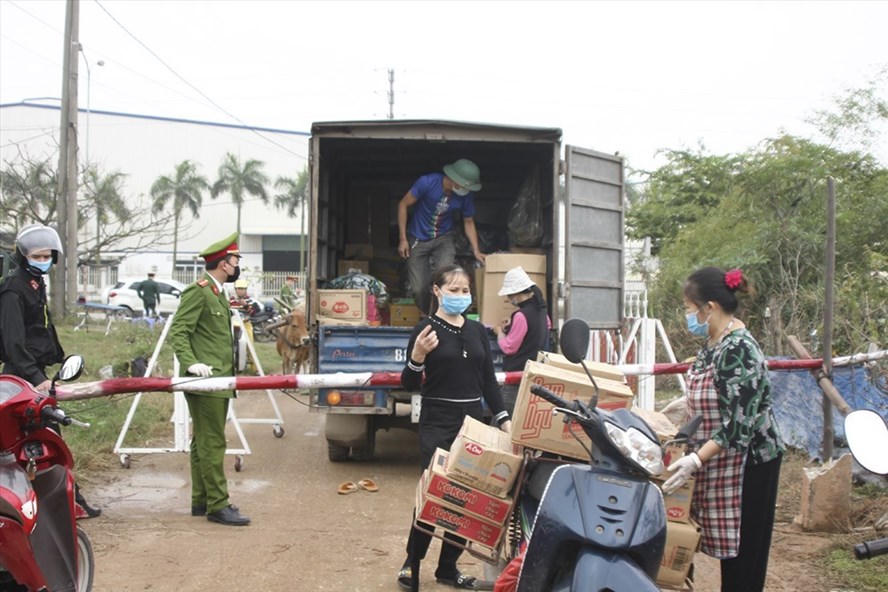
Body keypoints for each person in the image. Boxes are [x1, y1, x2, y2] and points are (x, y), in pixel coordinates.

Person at [662, 267, 784, 592]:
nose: (687, 315)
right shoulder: (714, 342)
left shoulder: (739, 349)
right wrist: (684, 406)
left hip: (752, 463)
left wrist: (695, 461)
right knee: (729, 552)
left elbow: (737, 426)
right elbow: (714, 389)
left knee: (744, 557)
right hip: (724, 458)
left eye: (689, 308)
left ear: (710, 308)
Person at [398, 264, 511, 591]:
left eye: (465, 291)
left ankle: (448, 567)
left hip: (473, 423)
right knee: (436, 493)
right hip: (437, 422)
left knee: (467, 497)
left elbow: (488, 380)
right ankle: (411, 564)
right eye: (455, 290)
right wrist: (417, 356)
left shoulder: (476, 331)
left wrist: (502, 418)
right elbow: (409, 383)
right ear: (437, 290)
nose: (461, 296)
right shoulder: (424, 330)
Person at [0, 223, 101, 517]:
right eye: (37, 255)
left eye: (47, 256)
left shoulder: (34, 284)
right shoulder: (13, 289)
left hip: (33, 373)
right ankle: (70, 503)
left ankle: (65, 501)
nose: (43, 260)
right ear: (23, 256)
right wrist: (38, 379)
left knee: (40, 442)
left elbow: (41, 329)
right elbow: (14, 342)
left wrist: (58, 357)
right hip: (20, 378)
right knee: (47, 439)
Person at [168, 232, 250, 527]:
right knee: (213, 441)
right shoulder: (199, 291)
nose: (238, 264)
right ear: (224, 264)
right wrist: (191, 364)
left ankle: (201, 500)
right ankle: (218, 504)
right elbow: (179, 331)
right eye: (235, 259)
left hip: (218, 380)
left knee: (201, 441)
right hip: (205, 381)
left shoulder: (217, 292)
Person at [398, 159, 487, 314]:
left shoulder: (466, 196)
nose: (467, 190)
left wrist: (476, 250)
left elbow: (468, 221)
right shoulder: (427, 182)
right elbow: (403, 205)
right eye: (465, 185)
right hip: (418, 238)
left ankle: (444, 317)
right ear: (455, 180)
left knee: (446, 280)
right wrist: (403, 239)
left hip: (444, 238)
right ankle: (429, 314)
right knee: (419, 288)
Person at [493, 266, 550, 413]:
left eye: (510, 295)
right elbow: (537, 332)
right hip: (534, 375)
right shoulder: (543, 312)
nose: (509, 299)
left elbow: (509, 347)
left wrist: (499, 332)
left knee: (503, 423)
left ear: (517, 293)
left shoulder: (521, 315)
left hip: (516, 378)